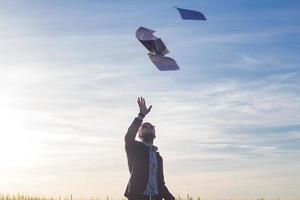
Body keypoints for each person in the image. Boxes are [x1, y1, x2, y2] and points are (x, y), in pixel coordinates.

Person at [124, 97, 175, 200]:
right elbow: (129, 136)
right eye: (144, 127)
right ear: (139, 133)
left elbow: (160, 182)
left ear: (154, 134)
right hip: (138, 197)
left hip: (156, 197)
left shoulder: (158, 157)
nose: (148, 128)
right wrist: (141, 115)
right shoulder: (135, 148)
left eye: (151, 127)